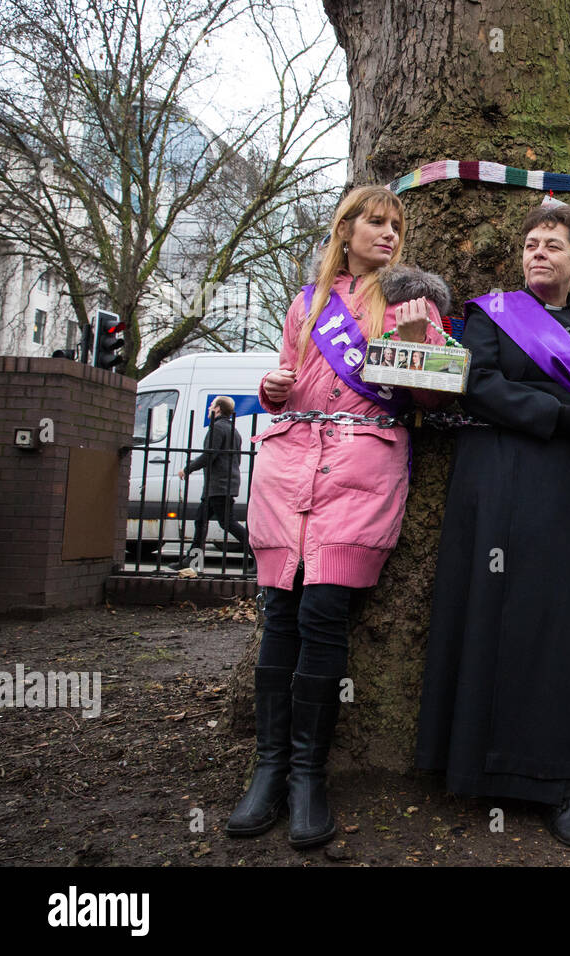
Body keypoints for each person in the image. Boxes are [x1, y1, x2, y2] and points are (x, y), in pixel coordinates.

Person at [414, 201, 570, 849]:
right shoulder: (489, 318)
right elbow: (481, 384)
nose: (537, 252)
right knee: (538, 637)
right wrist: (566, 418)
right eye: (530, 243)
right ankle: (552, 785)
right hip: (523, 494)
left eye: (552, 244)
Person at [227, 185, 452, 850]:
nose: (387, 234)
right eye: (375, 222)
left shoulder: (412, 299)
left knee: (323, 613)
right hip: (289, 465)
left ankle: (307, 778)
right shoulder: (308, 302)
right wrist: (273, 387)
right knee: (279, 613)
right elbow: (289, 380)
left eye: (395, 225)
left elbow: (431, 395)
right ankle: (267, 771)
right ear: (346, 229)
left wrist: (417, 343)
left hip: (360, 469)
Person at [167, 395, 250, 572]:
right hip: (222, 484)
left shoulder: (217, 428)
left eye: (211, 406)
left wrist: (187, 468)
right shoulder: (233, 430)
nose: (209, 409)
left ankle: (258, 555)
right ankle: (192, 562)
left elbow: (209, 455)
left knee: (227, 523)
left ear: (218, 409)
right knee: (201, 521)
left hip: (218, 485)